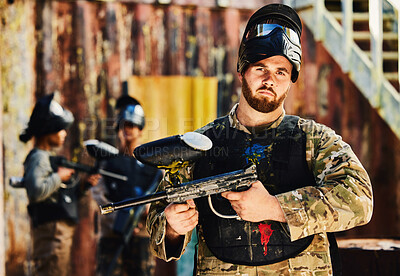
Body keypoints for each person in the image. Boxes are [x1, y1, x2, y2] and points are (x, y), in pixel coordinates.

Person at [146, 3, 373, 276]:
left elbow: (360, 200)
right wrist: (173, 227)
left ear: (290, 81)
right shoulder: (200, 144)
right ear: (241, 71)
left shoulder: (314, 140)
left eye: (281, 72)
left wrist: (276, 208)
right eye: (260, 68)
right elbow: (159, 225)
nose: (270, 80)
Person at [19, 93, 100, 276]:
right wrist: (59, 177)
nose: (64, 134)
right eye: (60, 129)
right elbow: (36, 191)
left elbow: (57, 197)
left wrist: (83, 186)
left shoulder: (46, 157)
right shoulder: (39, 157)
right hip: (52, 232)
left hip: (57, 231)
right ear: (49, 130)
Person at [92, 95, 163, 276]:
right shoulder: (108, 163)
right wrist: (119, 220)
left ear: (140, 130)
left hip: (141, 236)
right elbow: (98, 197)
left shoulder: (152, 166)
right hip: (112, 235)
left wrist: (148, 212)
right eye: (124, 125)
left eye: (132, 125)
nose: (127, 130)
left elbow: (162, 197)